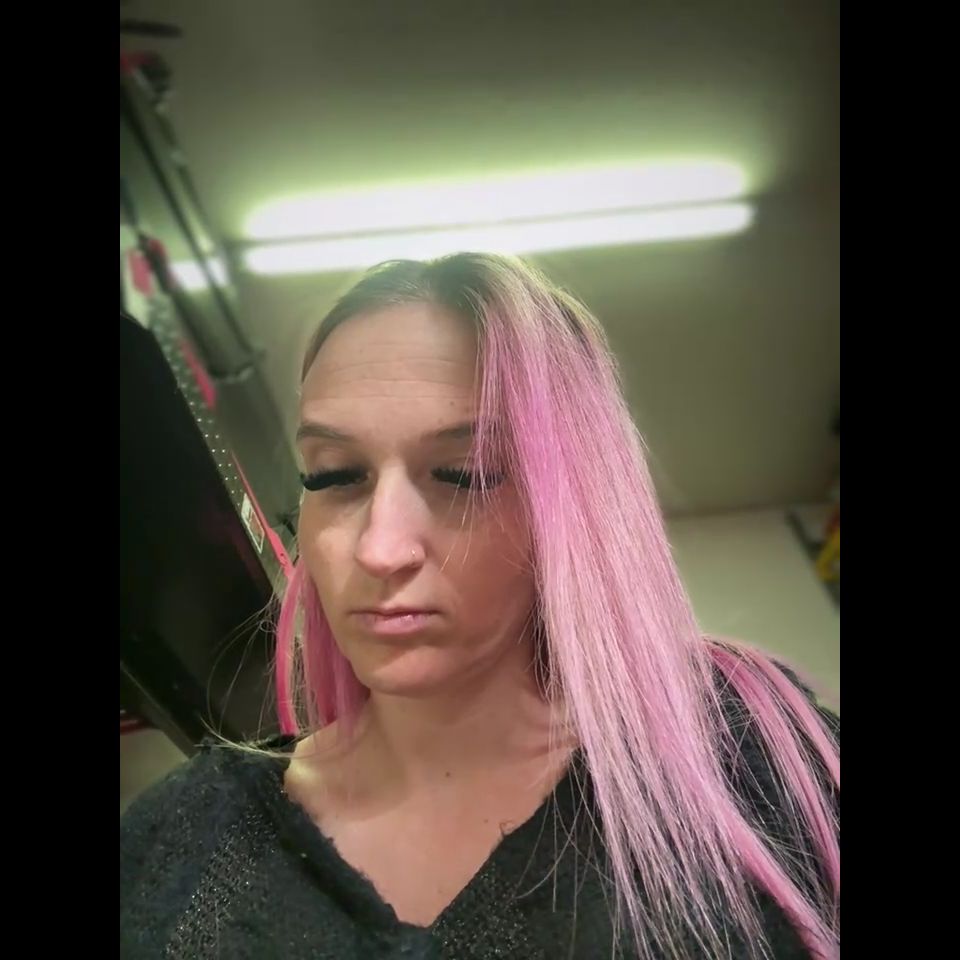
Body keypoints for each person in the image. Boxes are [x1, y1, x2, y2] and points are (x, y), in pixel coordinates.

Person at [120, 253, 839, 960]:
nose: (381, 548)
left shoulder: (753, 760)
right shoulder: (180, 840)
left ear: (574, 508)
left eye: (464, 474)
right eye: (335, 476)